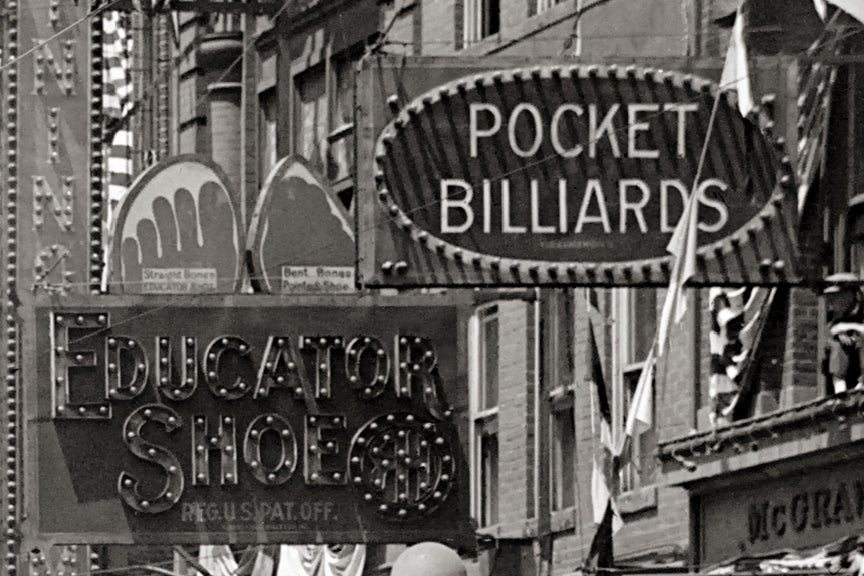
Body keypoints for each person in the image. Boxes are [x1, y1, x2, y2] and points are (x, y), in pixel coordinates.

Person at [824, 272, 864, 393]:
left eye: (836, 297)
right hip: (850, 364)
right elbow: (829, 332)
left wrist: (846, 327)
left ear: (851, 295)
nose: (831, 303)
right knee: (835, 343)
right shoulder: (836, 318)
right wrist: (838, 332)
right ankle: (839, 387)